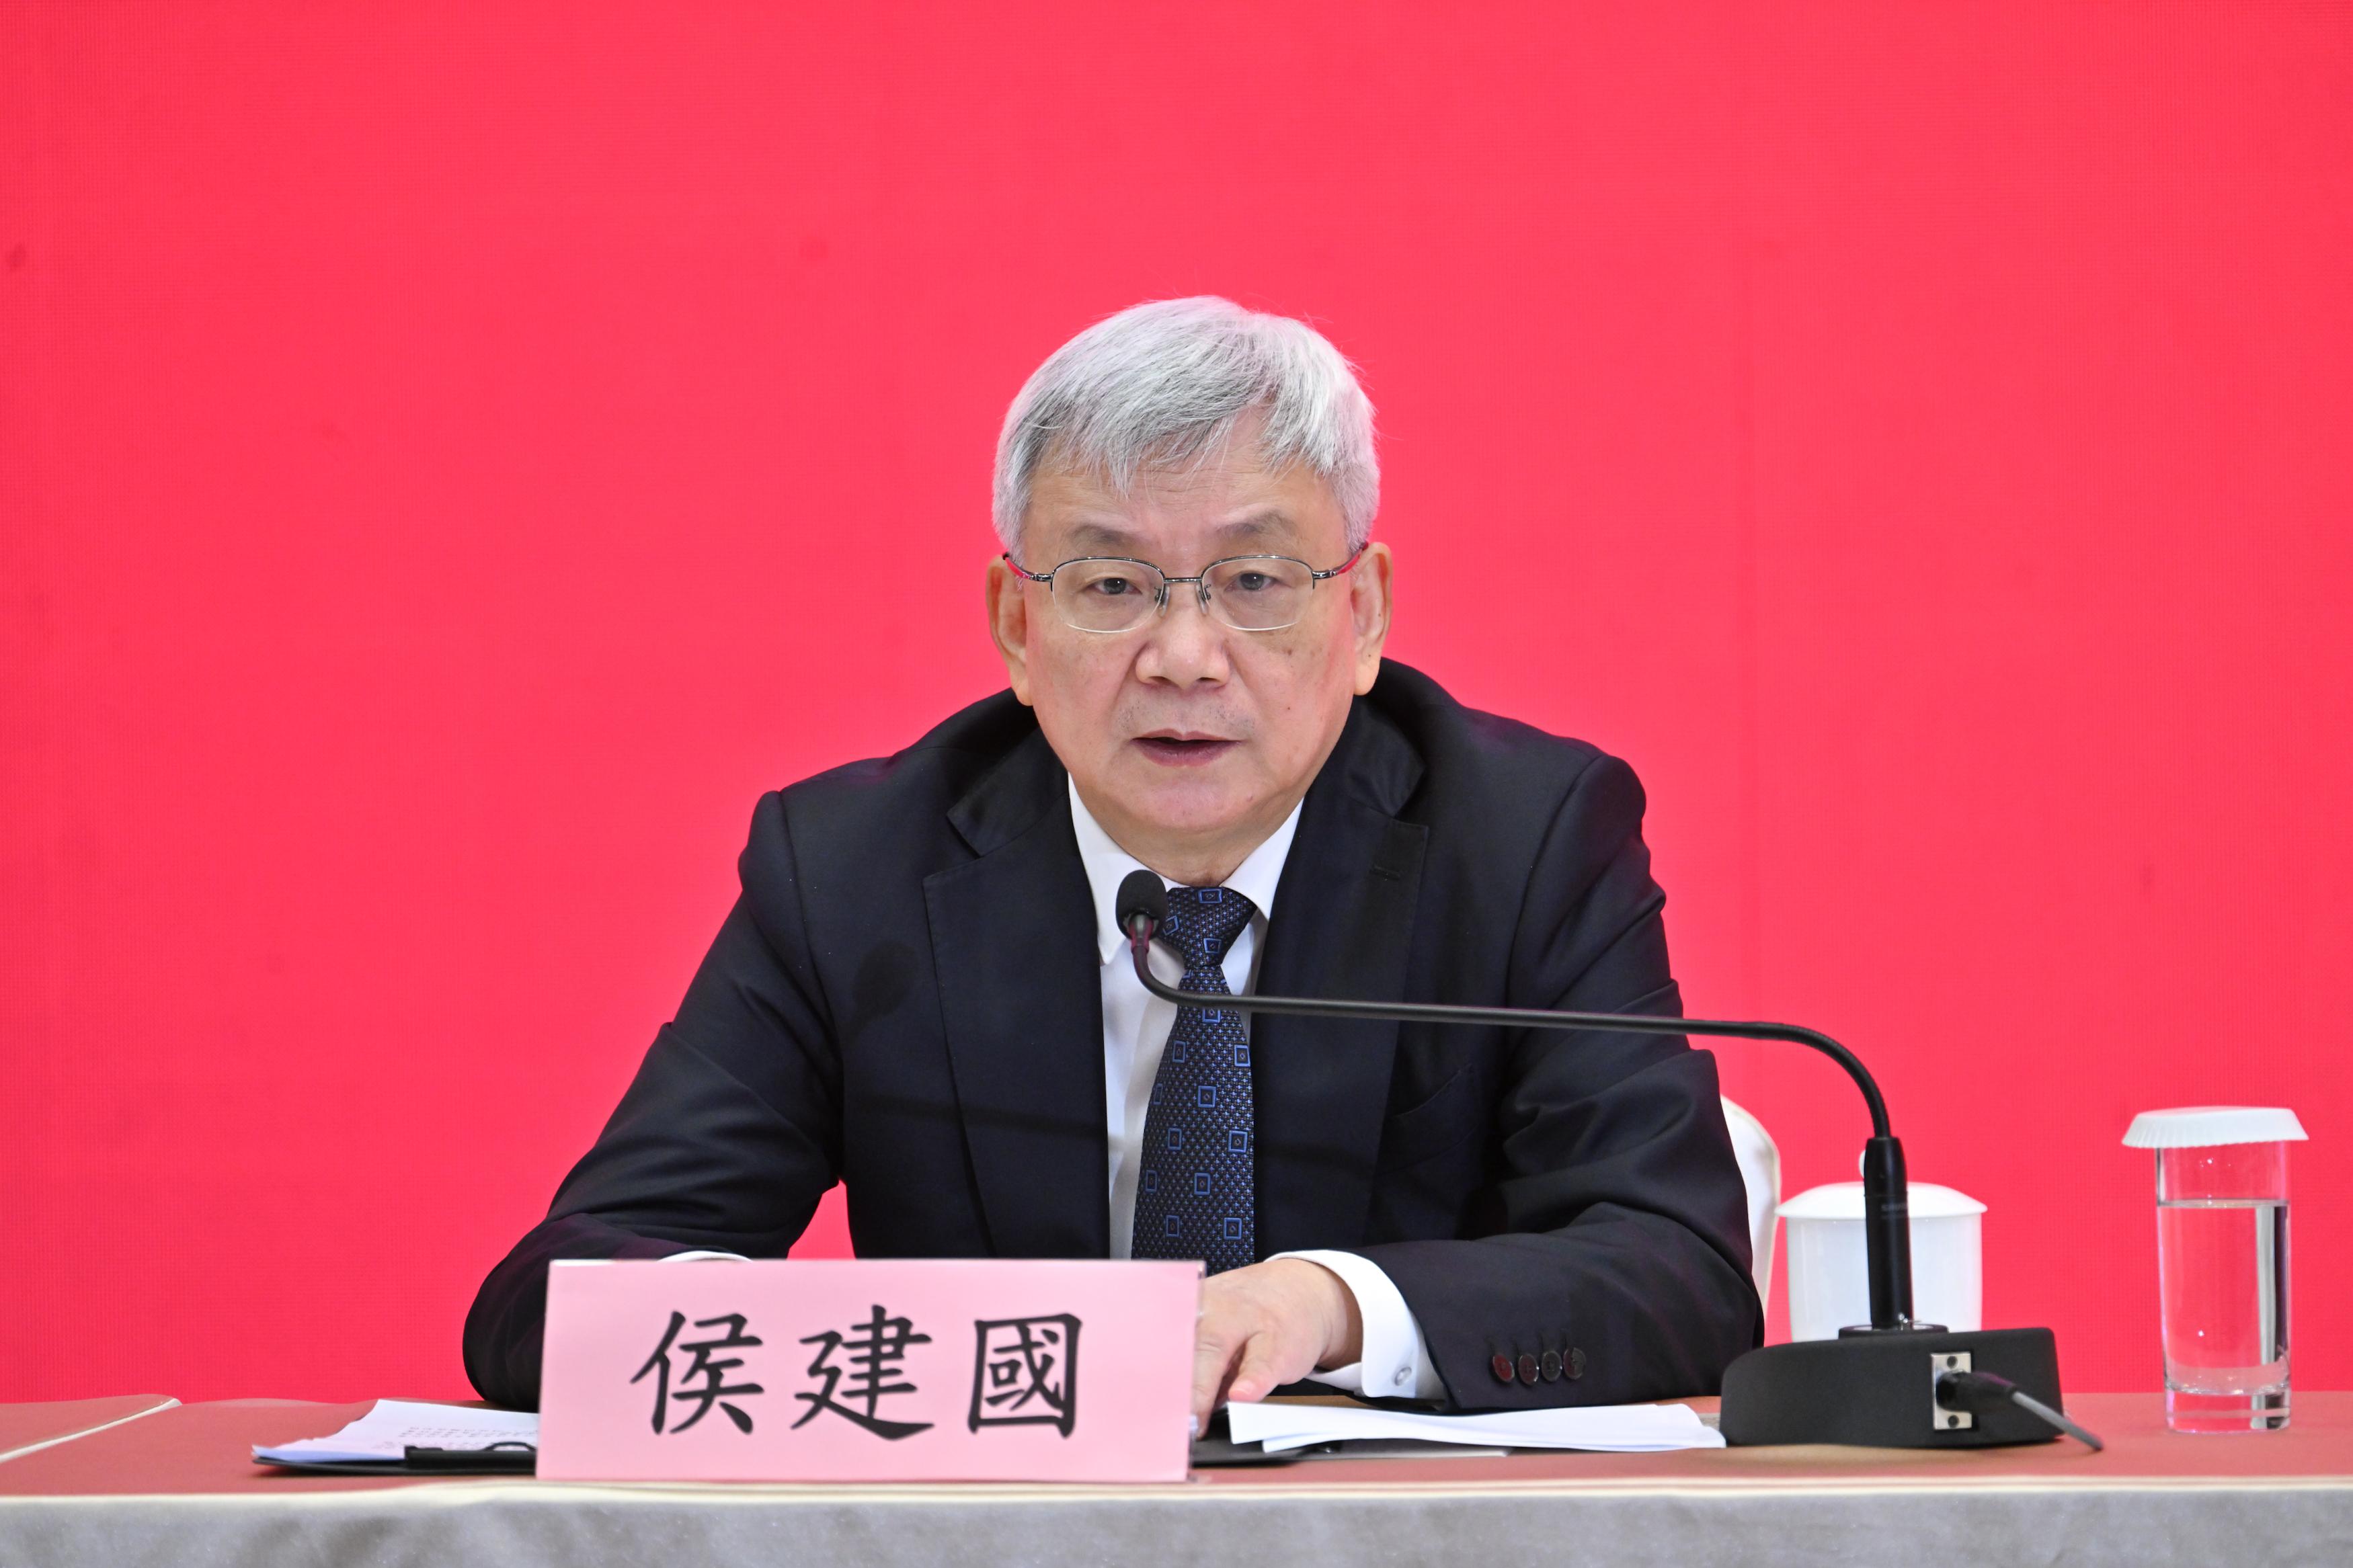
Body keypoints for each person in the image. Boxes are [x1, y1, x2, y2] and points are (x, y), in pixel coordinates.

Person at [465, 297, 1760, 1425]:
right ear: (1017, 626)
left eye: (1254, 580)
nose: (1185, 656)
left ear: (1360, 615)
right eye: (1111, 585)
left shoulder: (1524, 839)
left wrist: (1334, 1303)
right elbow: (554, 1290)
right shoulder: (853, 867)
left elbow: (1679, 1271)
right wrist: (830, 1351)